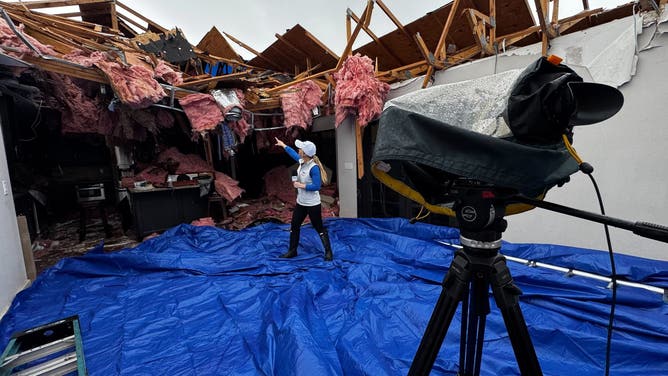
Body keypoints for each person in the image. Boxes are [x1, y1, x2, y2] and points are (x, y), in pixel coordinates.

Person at [274, 137, 333, 261]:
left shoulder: (314, 168)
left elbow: (317, 186)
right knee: (294, 226)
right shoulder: (302, 161)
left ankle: (328, 252)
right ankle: (292, 251)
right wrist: (283, 145)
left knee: (319, 227)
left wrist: (301, 185)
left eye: (300, 148)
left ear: (305, 153)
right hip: (301, 203)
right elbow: (293, 154)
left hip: (312, 204)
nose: (298, 149)